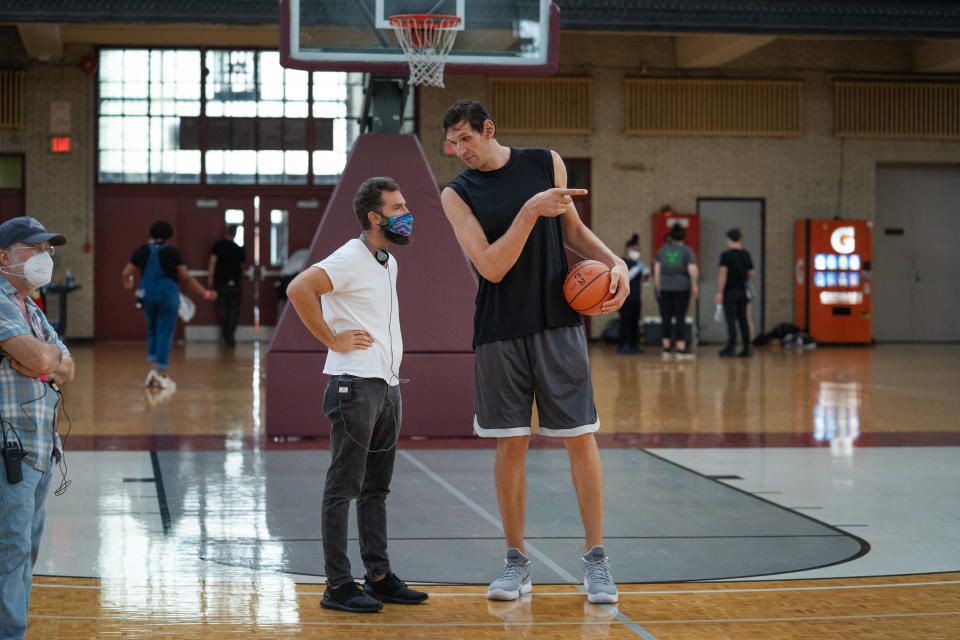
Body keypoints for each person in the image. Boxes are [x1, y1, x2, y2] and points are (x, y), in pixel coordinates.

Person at [440, 99, 627, 605]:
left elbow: (573, 233)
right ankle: (516, 561)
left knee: (580, 438)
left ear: (488, 129)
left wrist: (617, 265)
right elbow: (491, 267)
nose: (460, 151)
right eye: (452, 145)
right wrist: (527, 212)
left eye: (466, 140)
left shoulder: (547, 163)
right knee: (511, 445)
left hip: (558, 324)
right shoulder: (456, 194)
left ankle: (596, 561)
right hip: (500, 330)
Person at [286, 177, 427, 614]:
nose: (406, 213)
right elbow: (298, 289)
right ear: (374, 216)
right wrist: (333, 338)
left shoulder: (386, 261)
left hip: (386, 386)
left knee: (375, 488)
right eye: (398, 206)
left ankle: (379, 576)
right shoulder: (348, 257)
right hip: (354, 386)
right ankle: (338, 585)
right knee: (343, 486)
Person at [0, 217, 75, 640]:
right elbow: (51, 362)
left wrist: (45, 362)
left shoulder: (30, 308)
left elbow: (67, 367)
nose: (44, 258)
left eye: (48, 249)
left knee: (24, 552)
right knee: (9, 552)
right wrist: (48, 363)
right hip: (8, 450)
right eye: (33, 249)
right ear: (5, 257)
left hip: (39, 450)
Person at [121, 220, 216, 391]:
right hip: (168, 296)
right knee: (165, 332)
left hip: (147, 297)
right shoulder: (172, 253)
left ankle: (152, 372)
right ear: (169, 235)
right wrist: (206, 294)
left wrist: (128, 283)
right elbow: (186, 278)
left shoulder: (142, 251)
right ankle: (162, 373)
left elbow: (126, 273)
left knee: (152, 331)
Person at [653, 224, 698, 359]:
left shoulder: (662, 250)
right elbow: (692, 270)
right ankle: (680, 349)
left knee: (665, 317)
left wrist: (657, 287)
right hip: (682, 288)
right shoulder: (687, 250)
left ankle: (666, 348)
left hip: (664, 288)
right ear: (684, 237)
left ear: (670, 237)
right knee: (680, 317)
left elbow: (656, 270)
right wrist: (695, 286)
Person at [715, 228, 755, 357]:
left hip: (730, 291)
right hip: (743, 291)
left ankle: (731, 347)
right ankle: (747, 347)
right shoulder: (746, 254)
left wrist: (720, 292)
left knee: (731, 320)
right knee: (744, 319)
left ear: (729, 240)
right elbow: (751, 272)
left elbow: (723, 274)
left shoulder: (725, 255)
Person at [207, 224, 246, 346]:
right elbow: (243, 268)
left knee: (222, 308)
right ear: (235, 234)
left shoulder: (218, 246)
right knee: (234, 310)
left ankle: (224, 335)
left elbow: (212, 261)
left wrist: (210, 277)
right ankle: (230, 336)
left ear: (226, 232)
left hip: (221, 283)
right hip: (235, 283)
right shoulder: (239, 249)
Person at [617, 234, 646, 355]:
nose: (637, 253)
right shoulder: (622, 262)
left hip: (636, 297)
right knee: (625, 322)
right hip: (625, 298)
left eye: (638, 251)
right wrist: (637, 270)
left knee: (635, 323)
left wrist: (646, 276)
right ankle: (622, 345)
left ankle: (634, 345)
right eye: (635, 250)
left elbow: (643, 283)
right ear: (628, 249)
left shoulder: (636, 263)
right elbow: (626, 276)